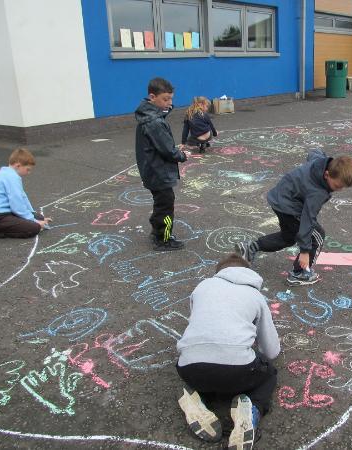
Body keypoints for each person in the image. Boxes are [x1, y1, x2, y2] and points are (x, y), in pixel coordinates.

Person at [176, 254, 280, 450]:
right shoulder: (255, 295)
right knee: (269, 374)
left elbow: (196, 322)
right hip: (237, 372)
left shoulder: (202, 287)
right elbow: (271, 350)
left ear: (219, 273)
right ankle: (252, 410)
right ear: (249, 273)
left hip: (189, 368)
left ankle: (197, 399)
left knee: (204, 368)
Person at [235, 150, 352, 286]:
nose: (338, 190)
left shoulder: (320, 163)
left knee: (288, 237)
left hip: (279, 198)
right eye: (337, 186)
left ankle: (251, 247)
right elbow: (307, 218)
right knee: (317, 236)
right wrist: (305, 251)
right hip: (290, 207)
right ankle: (299, 274)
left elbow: (315, 153)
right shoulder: (318, 193)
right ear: (327, 174)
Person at [135, 77, 188, 251]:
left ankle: (156, 232)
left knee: (161, 203)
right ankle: (163, 239)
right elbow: (167, 150)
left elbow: (161, 142)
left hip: (152, 169)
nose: (169, 103)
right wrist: (181, 155)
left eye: (171, 98)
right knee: (166, 205)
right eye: (166, 99)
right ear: (152, 97)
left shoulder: (149, 113)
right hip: (158, 171)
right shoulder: (155, 122)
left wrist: (166, 106)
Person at [0, 148, 51, 239]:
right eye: (27, 169)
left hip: (0, 213)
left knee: (39, 217)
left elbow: (22, 197)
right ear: (18, 166)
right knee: (34, 228)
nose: (28, 173)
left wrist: (33, 215)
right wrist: (33, 221)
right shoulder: (11, 177)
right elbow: (17, 205)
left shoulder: (9, 173)